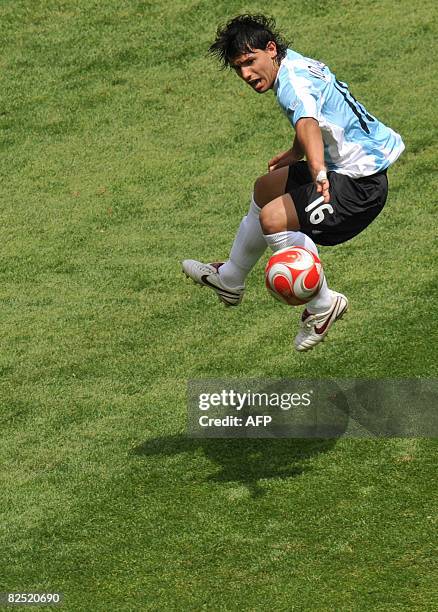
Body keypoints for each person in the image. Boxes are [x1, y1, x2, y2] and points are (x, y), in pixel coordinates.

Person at [182, 14, 404, 352]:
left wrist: (316, 170)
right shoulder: (294, 64)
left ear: (271, 49)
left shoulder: (292, 84)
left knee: (273, 218)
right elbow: (314, 118)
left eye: (250, 62)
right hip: (349, 168)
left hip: (360, 185)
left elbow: (309, 124)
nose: (246, 74)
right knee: (265, 188)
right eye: (239, 68)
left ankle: (323, 304)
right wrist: (295, 153)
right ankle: (231, 278)